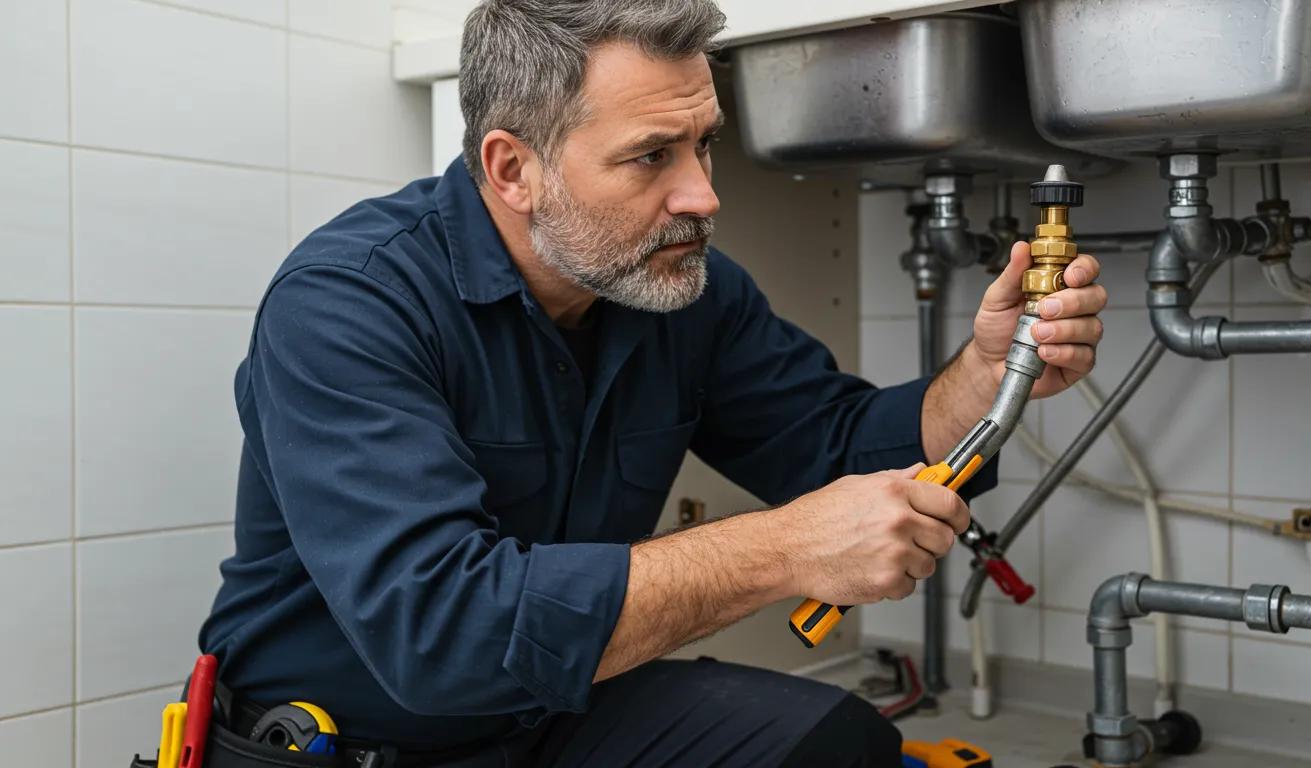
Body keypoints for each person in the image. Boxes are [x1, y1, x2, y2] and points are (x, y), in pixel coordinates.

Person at [199, 1, 1107, 765]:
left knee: (838, 745)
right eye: (651, 157)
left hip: (553, 713)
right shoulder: (350, 303)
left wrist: (985, 376)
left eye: (704, 145)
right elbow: (443, 635)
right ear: (513, 169)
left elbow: (837, 446)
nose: (704, 195)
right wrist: (780, 550)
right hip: (351, 742)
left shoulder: (678, 289)